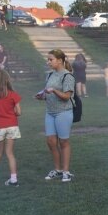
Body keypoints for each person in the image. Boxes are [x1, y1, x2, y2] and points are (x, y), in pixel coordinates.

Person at [36, 49, 76, 182]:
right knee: (51, 142)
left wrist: (53, 90)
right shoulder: (49, 75)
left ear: (59, 60)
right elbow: (48, 94)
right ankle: (58, 170)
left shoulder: (67, 76)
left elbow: (66, 96)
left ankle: (66, 171)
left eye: (50, 59)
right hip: (50, 112)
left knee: (64, 141)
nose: (48, 62)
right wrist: (42, 96)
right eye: (48, 59)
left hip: (63, 112)